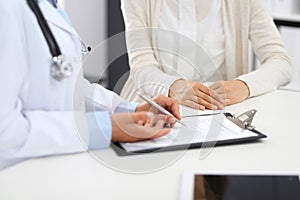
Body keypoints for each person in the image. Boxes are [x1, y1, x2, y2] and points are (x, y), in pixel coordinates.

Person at [0, 0, 181, 170]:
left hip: (54, 169)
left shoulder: (45, 4)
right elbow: (6, 134)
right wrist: (105, 128)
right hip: (17, 177)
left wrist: (130, 110)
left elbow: (71, 87)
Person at [120, 0, 293, 110]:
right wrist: (174, 87)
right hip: (152, 109)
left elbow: (280, 61)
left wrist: (244, 86)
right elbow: (141, 67)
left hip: (219, 113)